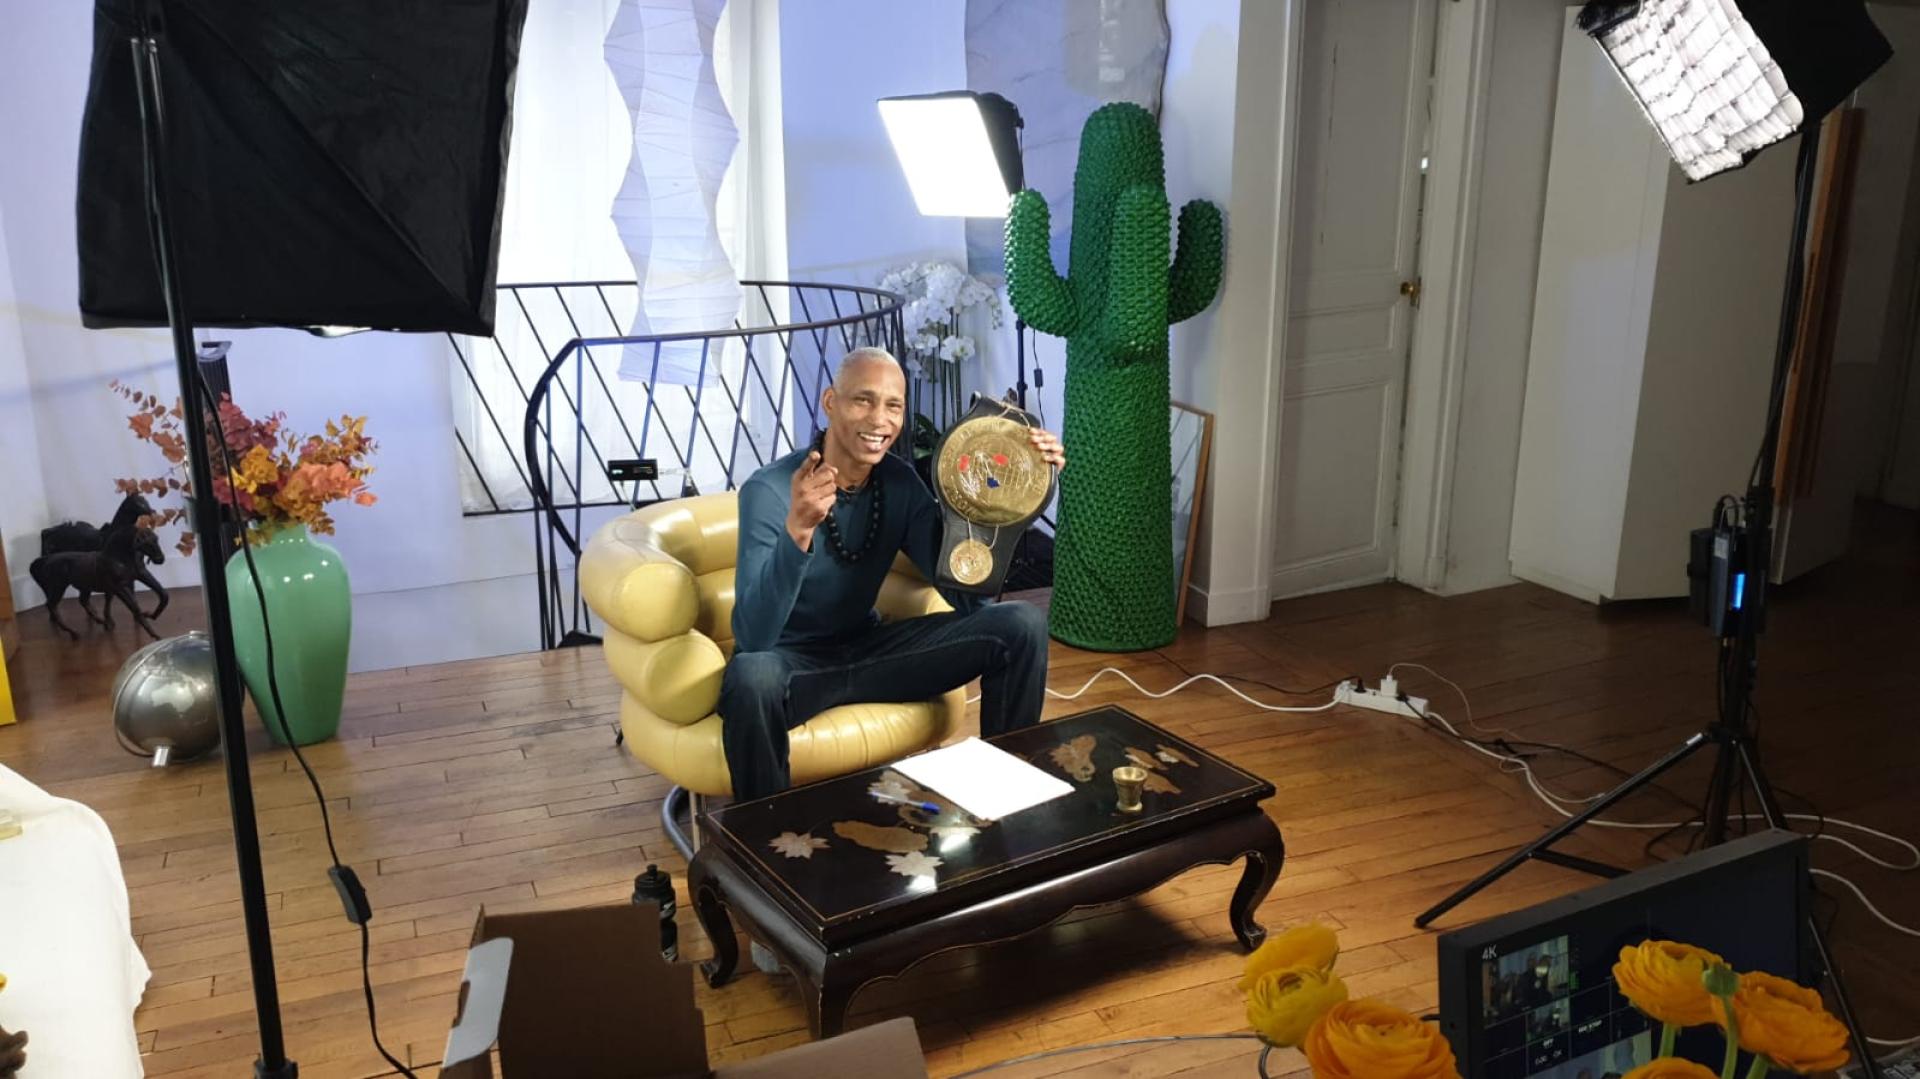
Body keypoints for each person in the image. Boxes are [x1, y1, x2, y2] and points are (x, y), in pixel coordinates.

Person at [720, 346, 1065, 800]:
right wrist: (798, 530)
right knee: (751, 676)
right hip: (791, 665)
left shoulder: (898, 483)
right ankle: (767, 831)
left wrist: (1019, 487)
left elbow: (968, 596)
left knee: (1021, 622)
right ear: (830, 402)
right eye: (863, 400)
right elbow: (754, 637)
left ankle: (1006, 796)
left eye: (894, 406)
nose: (879, 420)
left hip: (872, 652)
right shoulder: (769, 490)